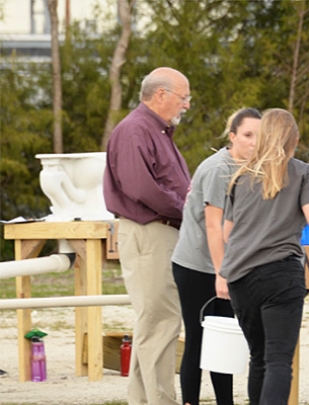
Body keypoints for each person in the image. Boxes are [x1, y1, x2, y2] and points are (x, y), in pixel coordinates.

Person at [220, 108, 309, 405]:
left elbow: (226, 233)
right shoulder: (302, 172)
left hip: (241, 279)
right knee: (279, 360)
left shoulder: (239, 177)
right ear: (295, 139)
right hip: (280, 274)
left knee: (258, 358)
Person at [103, 67, 192, 405]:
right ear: (160, 95)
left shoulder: (154, 131)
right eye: (183, 98)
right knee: (161, 323)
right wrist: (188, 210)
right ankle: (161, 401)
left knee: (153, 323)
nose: (186, 105)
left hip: (158, 234)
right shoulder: (136, 131)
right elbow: (141, 188)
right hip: (149, 234)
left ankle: (144, 400)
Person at [171, 108, 261, 405]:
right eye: (248, 135)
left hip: (228, 265)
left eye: (260, 136)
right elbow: (214, 226)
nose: (254, 142)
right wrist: (221, 273)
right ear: (232, 136)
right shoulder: (218, 169)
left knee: (225, 339)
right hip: (197, 265)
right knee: (197, 340)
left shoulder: (253, 168)